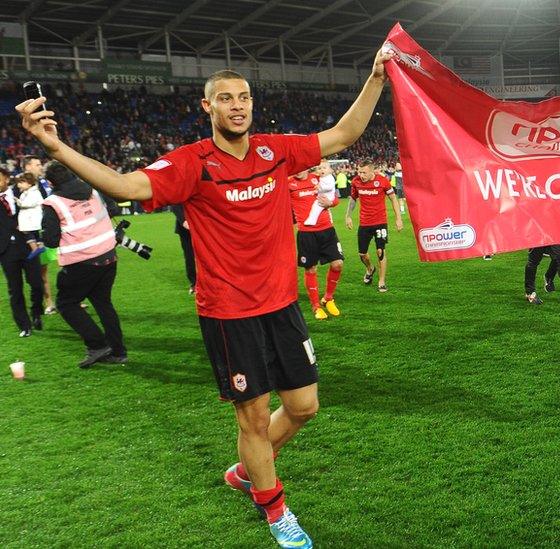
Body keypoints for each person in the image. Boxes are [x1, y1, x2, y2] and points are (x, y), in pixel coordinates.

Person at [17, 48, 393, 548]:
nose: (237, 106)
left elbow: (344, 134)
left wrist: (374, 79)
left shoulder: (275, 150)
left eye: (244, 97)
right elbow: (126, 184)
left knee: (303, 407)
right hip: (228, 311)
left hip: (281, 303)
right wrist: (57, 149)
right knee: (253, 416)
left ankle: (247, 470)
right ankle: (275, 507)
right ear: (207, 106)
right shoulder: (190, 162)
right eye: (225, 99)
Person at [40, 162, 127, 367]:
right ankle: (118, 351)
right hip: (108, 255)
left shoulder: (53, 202)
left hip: (81, 262)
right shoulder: (93, 188)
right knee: (103, 303)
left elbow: (51, 240)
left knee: (66, 304)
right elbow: (113, 208)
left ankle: (97, 344)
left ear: (51, 182)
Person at [289, 164, 343, 320]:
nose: (297, 169)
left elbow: (335, 198)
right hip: (306, 233)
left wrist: (330, 203)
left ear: (306, 167)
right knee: (311, 269)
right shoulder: (289, 184)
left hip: (327, 230)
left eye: (300, 166)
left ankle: (328, 298)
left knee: (337, 264)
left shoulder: (318, 178)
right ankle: (316, 306)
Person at [345, 160, 403, 293]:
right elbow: (353, 199)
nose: (361, 175)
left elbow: (393, 198)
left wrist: (398, 218)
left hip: (380, 222)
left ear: (372, 171)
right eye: (359, 172)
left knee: (380, 251)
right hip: (364, 223)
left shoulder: (382, 181)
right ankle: (370, 268)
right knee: (362, 254)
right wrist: (348, 216)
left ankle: (381, 281)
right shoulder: (356, 182)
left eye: (364, 172)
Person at [0, 167, 44, 337]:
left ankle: (36, 312)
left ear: (6, 179)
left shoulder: (24, 193)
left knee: (37, 284)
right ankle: (24, 325)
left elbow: (38, 213)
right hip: (5, 251)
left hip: (27, 246)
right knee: (15, 289)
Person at [23, 155, 56, 314]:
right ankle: (49, 303)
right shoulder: (20, 185)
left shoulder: (44, 182)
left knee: (69, 263)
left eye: (40, 164)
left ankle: (74, 300)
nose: (40, 166)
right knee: (42, 271)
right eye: (37, 164)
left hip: (51, 229)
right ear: (27, 167)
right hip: (34, 234)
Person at [13, 173, 48, 260]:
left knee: (28, 232)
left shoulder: (34, 193)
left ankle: (35, 248)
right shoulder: (25, 193)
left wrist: (18, 201)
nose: (18, 185)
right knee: (34, 233)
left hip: (32, 218)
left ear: (29, 183)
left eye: (21, 182)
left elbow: (27, 204)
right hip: (29, 218)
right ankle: (39, 246)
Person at [171, 204, 196, 294]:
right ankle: (194, 283)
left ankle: (211, 281)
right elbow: (175, 206)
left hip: (202, 225)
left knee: (208, 255)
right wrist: (183, 221)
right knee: (189, 256)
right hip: (185, 228)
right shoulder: (179, 190)